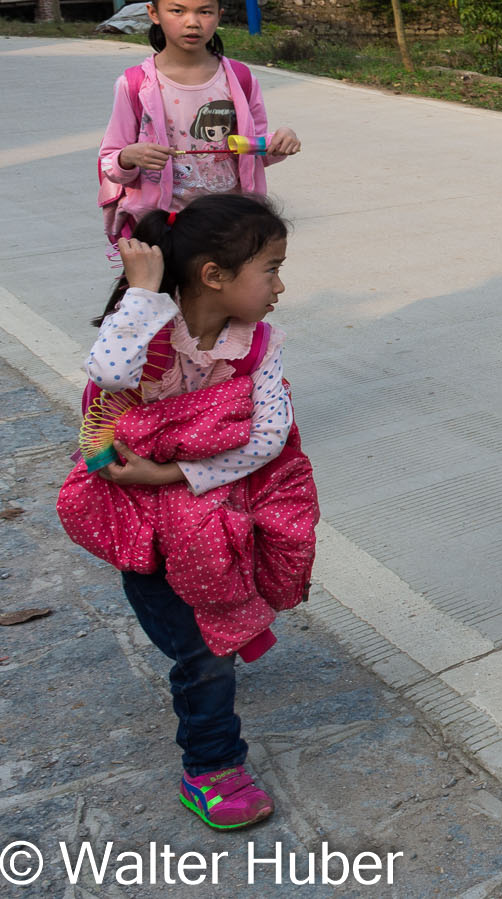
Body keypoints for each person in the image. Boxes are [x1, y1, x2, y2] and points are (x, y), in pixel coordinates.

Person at [59, 193, 317, 831]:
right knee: (201, 650)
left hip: (211, 513)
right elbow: (106, 373)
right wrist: (143, 292)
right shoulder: (143, 334)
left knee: (209, 640)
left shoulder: (256, 346)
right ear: (214, 275)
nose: (280, 286)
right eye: (272, 269)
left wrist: (172, 473)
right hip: (143, 524)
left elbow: (267, 437)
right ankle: (211, 767)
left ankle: (214, 682)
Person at [97, 0, 302, 246]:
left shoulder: (240, 79)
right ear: (154, 13)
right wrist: (129, 156)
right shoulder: (134, 85)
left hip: (230, 225)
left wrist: (280, 141)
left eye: (204, 12)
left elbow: (254, 151)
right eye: (177, 11)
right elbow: (110, 161)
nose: (192, 22)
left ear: (219, 15)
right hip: (166, 228)